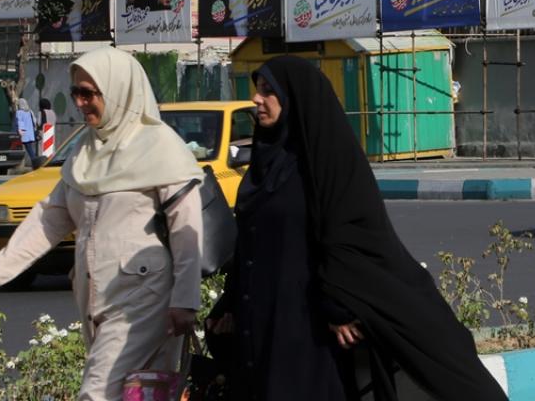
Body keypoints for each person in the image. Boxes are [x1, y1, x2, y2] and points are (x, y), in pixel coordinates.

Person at [206, 56, 507, 400]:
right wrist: (229, 304)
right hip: (259, 323)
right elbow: (250, 243)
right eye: (257, 90)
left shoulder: (324, 162)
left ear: (295, 98)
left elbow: (347, 236)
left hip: (305, 326)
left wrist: (339, 305)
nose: (256, 99)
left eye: (267, 91)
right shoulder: (264, 162)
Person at [0, 47, 204, 401]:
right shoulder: (86, 151)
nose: (79, 102)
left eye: (89, 93)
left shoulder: (160, 147)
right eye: (76, 92)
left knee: (97, 392)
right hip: (95, 297)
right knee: (132, 394)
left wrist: (185, 300)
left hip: (145, 299)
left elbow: (187, 229)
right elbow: (50, 217)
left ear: (118, 91)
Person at [14, 98, 37, 164]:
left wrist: (20, 131)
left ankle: (34, 161)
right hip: (30, 133)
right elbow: (34, 121)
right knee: (29, 148)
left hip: (24, 133)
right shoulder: (30, 111)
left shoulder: (19, 112)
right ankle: (34, 160)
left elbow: (20, 122)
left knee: (27, 148)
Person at [36, 98, 56, 169]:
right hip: (51, 132)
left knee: (42, 150)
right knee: (51, 149)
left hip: (43, 132)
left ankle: (42, 165)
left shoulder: (41, 112)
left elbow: (39, 123)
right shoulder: (53, 112)